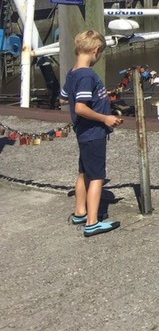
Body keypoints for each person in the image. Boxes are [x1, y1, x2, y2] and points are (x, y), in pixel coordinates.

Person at [61, 29, 124, 237]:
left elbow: (63, 97)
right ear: (96, 50)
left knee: (84, 172)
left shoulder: (72, 73)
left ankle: (80, 211)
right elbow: (80, 107)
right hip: (94, 133)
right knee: (97, 176)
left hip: (82, 132)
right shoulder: (88, 75)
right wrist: (105, 118)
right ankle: (92, 221)